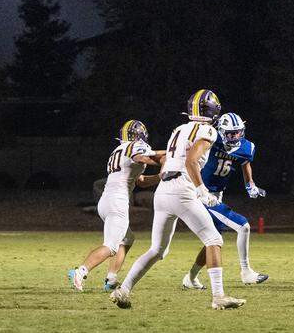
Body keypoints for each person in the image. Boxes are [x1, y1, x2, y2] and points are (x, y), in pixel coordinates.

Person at [110, 89, 245, 310]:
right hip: (183, 188)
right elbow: (191, 161)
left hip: (163, 190)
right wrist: (202, 190)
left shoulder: (179, 129)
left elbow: (170, 156)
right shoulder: (208, 130)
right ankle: (218, 296)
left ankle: (123, 290)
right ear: (213, 110)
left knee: (157, 250)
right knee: (214, 240)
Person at [68, 120, 163, 292]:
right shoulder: (135, 147)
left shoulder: (118, 150)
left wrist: (160, 177)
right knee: (111, 246)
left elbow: (140, 181)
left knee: (127, 239)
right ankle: (80, 271)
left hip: (106, 201)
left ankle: (111, 279)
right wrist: (171, 156)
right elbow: (143, 157)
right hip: (117, 201)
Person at [181, 112, 268, 290]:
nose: (234, 136)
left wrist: (250, 185)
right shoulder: (211, 139)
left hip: (218, 194)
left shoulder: (247, 147)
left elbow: (245, 163)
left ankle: (190, 277)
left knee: (213, 240)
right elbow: (191, 156)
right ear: (221, 131)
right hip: (202, 193)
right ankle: (246, 272)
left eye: (237, 132)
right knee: (243, 226)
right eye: (230, 133)